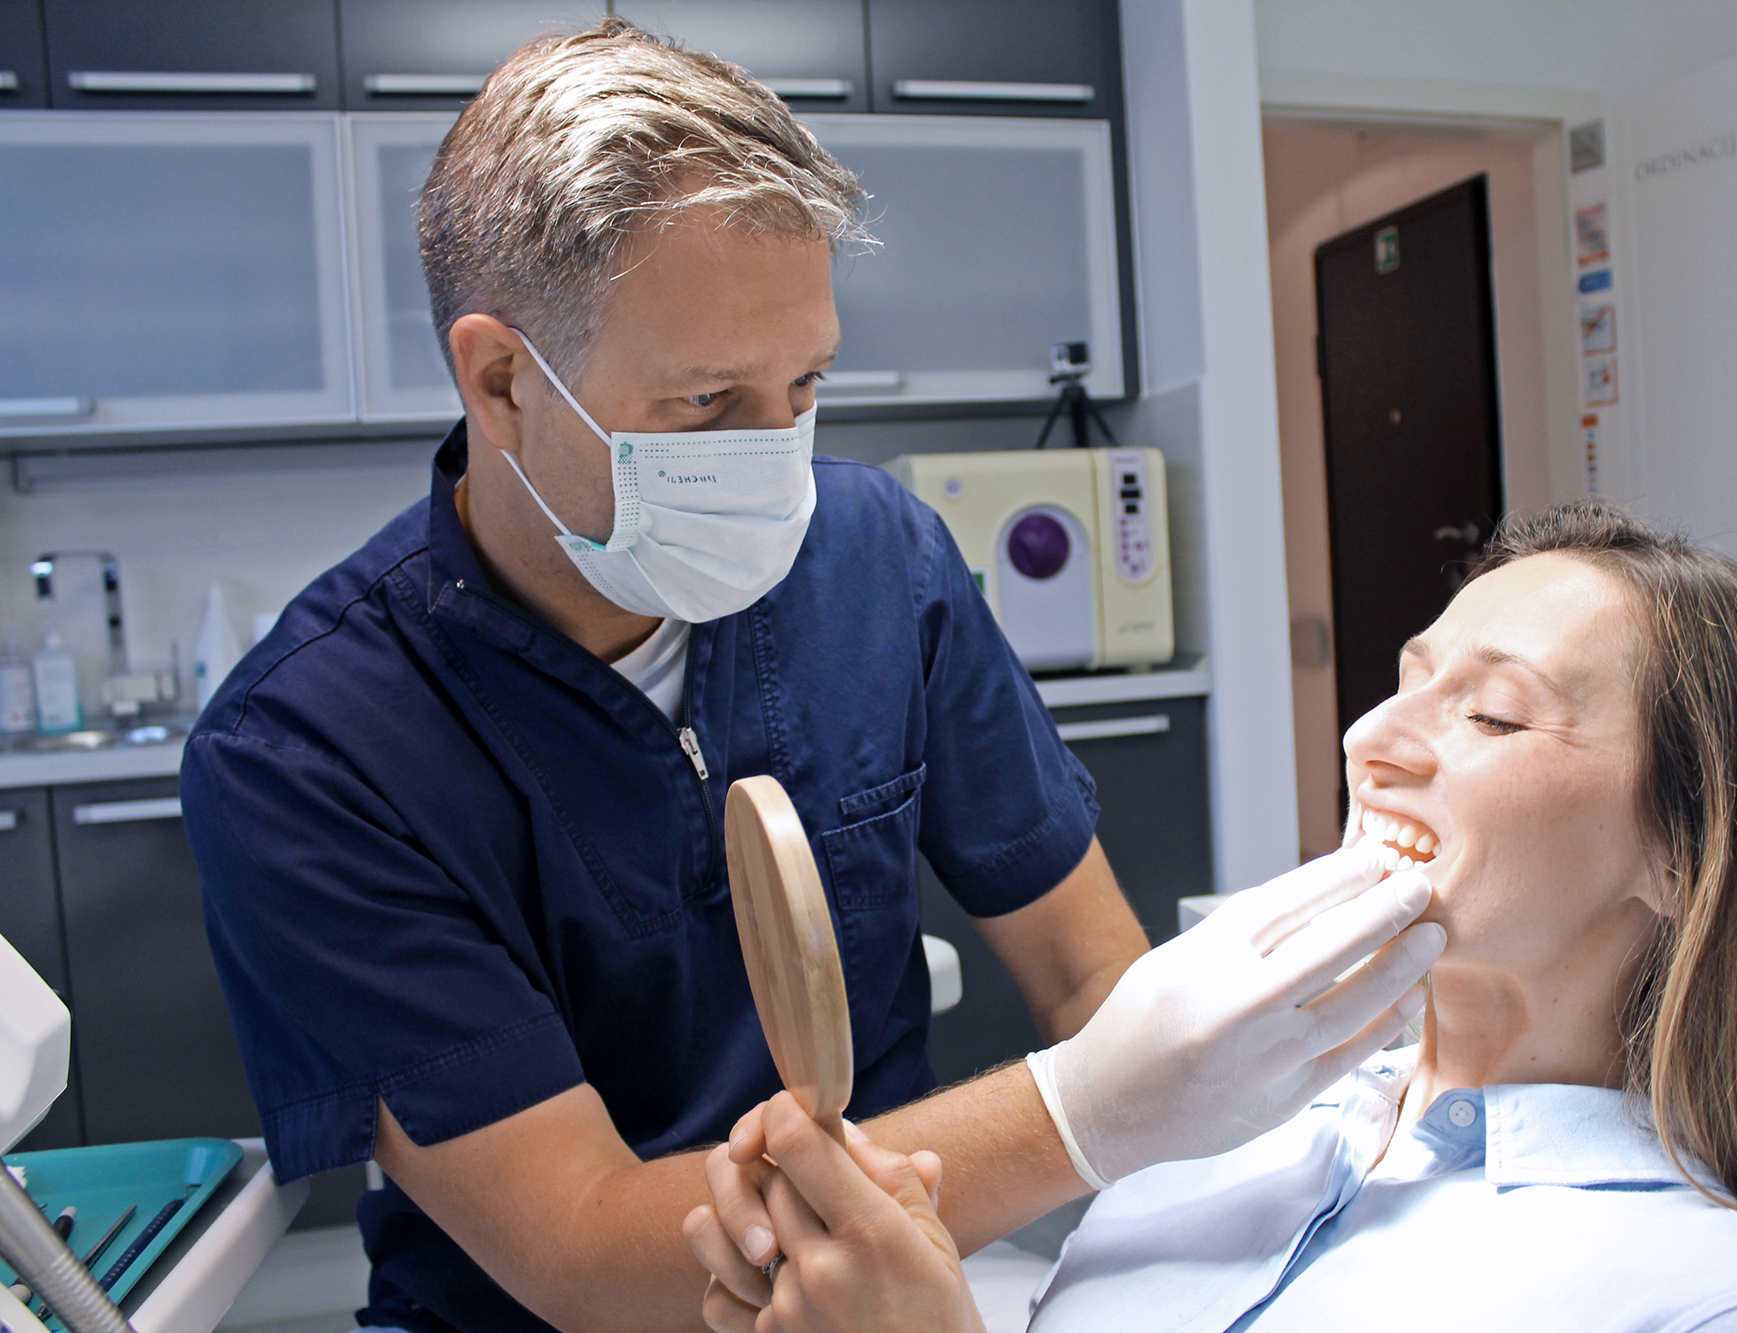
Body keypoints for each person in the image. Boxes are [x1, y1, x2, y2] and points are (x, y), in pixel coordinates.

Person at [181, 20, 1446, 1333]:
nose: (774, 459)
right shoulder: (306, 750)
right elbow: (582, 1250)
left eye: (805, 386)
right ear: (504, 381)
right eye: (708, 403)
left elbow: (1088, 977)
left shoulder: (875, 561)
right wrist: (1091, 1110)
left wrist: (1249, 1113)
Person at [691, 502, 1737, 1333]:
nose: (1370, 741)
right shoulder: (1219, 1137)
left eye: (1490, 714)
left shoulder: (1716, 1309)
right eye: (1404, 684)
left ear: (1686, 856)